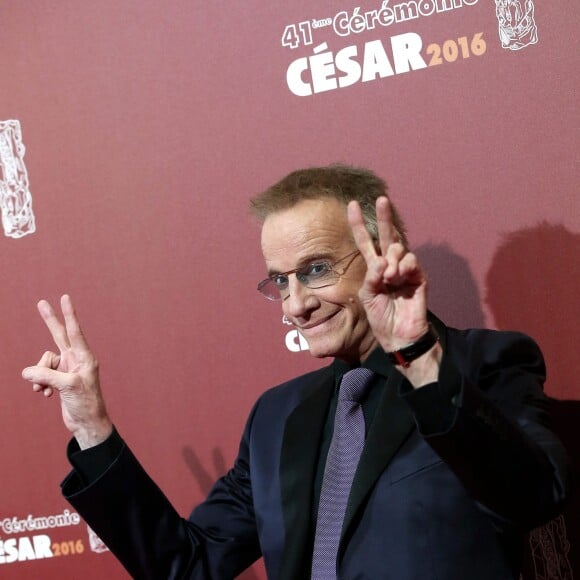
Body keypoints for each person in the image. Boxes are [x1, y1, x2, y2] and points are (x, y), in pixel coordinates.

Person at [22, 165, 569, 579]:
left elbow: (532, 498)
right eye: (280, 281)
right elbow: (186, 565)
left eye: (316, 270)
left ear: (383, 255)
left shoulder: (485, 364)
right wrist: (93, 428)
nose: (295, 305)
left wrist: (418, 358)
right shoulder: (276, 417)